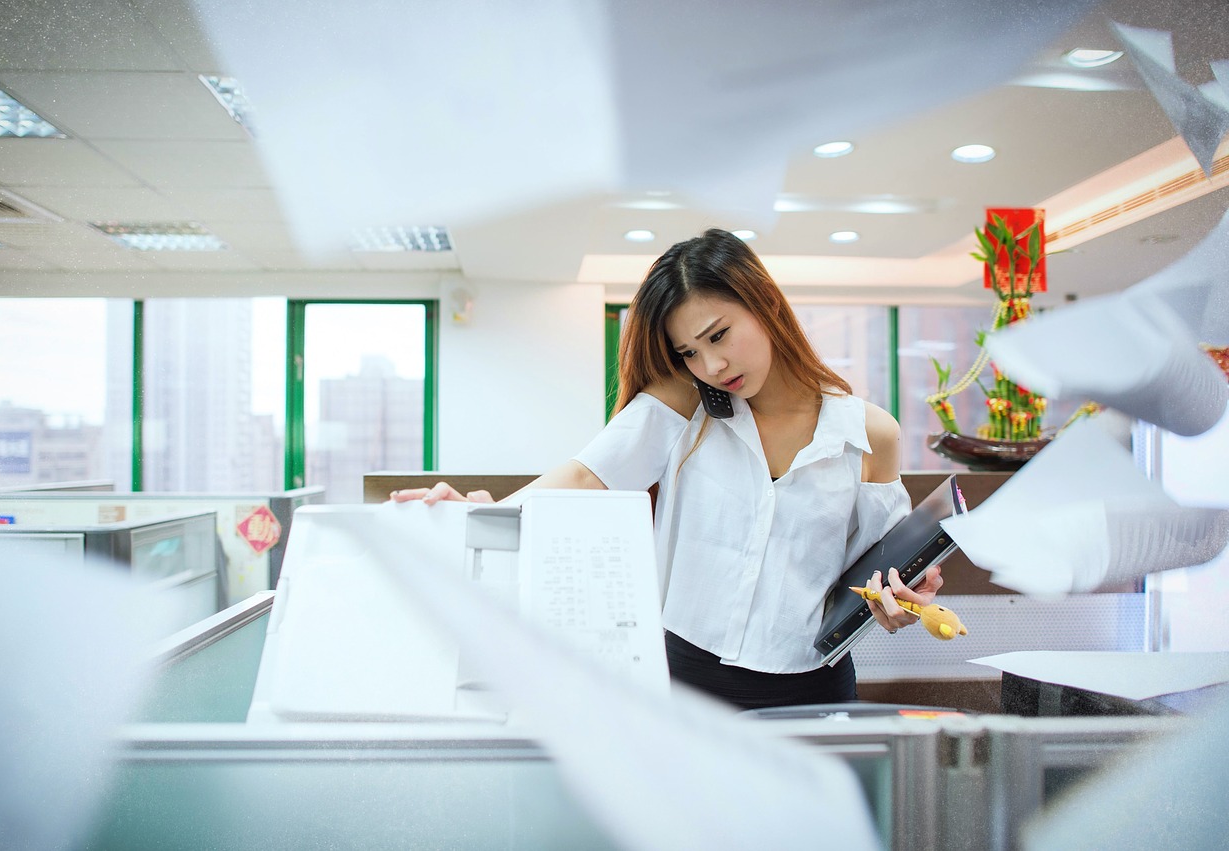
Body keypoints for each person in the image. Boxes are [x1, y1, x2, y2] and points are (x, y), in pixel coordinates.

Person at [392, 228, 943, 710]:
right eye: (689, 352)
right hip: (681, 683)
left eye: (719, 335)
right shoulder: (686, 405)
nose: (712, 366)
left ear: (765, 303)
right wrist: (486, 511)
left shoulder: (869, 433)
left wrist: (899, 599)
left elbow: (869, 578)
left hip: (813, 688)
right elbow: (587, 476)